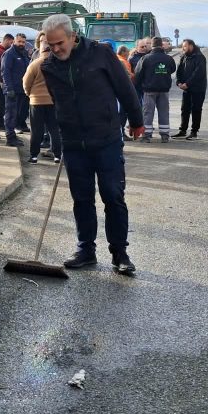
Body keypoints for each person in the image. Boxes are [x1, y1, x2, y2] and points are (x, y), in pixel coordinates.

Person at [40, 14, 144, 274]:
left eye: (59, 43)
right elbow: (57, 102)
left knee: (113, 195)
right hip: (74, 143)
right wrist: (62, 135)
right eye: (50, 45)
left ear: (73, 36)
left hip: (106, 138)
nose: (55, 49)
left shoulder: (101, 54)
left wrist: (136, 120)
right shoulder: (49, 66)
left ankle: (120, 252)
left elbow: (124, 88)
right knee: (82, 198)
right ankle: (86, 250)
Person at [22, 40, 61, 164]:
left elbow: (26, 82)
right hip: (53, 101)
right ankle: (57, 156)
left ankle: (34, 156)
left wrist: (29, 94)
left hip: (36, 102)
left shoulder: (35, 64)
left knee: (36, 130)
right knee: (54, 129)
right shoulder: (58, 64)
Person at [133, 37, 176, 142]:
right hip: (164, 90)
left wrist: (139, 86)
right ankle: (165, 135)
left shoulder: (145, 58)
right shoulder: (168, 59)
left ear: (151, 45)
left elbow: (138, 73)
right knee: (164, 112)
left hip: (149, 90)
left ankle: (146, 136)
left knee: (148, 113)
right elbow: (173, 69)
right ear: (161, 45)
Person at [0, 32, 31, 147]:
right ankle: (10, 137)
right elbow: (5, 72)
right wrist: (9, 88)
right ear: (14, 42)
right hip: (12, 90)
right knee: (10, 114)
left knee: (17, 114)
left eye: (23, 42)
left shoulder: (24, 54)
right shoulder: (9, 54)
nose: (21, 44)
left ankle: (13, 134)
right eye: (19, 41)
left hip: (21, 90)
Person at [175, 38, 208, 140]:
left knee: (196, 109)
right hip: (186, 89)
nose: (183, 48)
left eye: (185, 46)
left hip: (198, 89)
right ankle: (182, 130)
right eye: (182, 46)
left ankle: (194, 131)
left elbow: (198, 74)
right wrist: (179, 82)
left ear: (191, 46)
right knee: (184, 109)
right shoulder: (183, 57)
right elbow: (179, 71)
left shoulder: (200, 57)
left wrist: (187, 84)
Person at [0, 32, 14, 132]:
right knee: (1, 103)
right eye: (11, 42)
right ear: (6, 40)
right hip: (1, 82)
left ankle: (0, 122)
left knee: (2, 103)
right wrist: (1, 81)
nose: (12, 44)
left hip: (3, 82)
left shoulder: (3, 51)